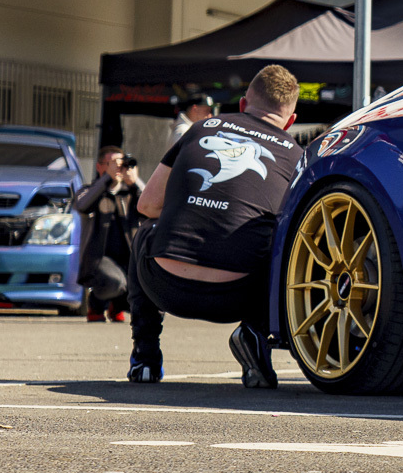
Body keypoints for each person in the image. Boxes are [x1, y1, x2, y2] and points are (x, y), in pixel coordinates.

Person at [127, 66, 302, 388]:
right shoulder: (296, 155)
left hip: (164, 285)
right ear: (290, 121)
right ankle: (255, 333)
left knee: (145, 230)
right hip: (237, 296)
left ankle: (145, 357)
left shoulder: (201, 128)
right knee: (287, 244)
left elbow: (147, 205)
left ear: (243, 104)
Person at [74, 147, 143, 322]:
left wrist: (135, 182)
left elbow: (153, 207)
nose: (118, 168)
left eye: (122, 164)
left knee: (145, 286)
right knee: (116, 282)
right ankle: (97, 305)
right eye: (112, 163)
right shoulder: (89, 190)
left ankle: (117, 306)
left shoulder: (130, 193)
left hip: (128, 258)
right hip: (97, 259)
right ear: (99, 166)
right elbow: (82, 205)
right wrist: (107, 179)